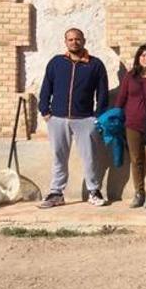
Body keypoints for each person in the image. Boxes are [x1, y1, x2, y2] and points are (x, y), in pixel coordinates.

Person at [37, 28, 110, 208]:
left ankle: (94, 191)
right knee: (58, 156)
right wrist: (45, 111)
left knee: (89, 157)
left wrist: (97, 117)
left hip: (84, 119)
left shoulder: (95, 65)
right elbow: (46, 87)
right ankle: (56, 193)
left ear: (84, 40)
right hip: (57, 118)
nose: (74, 42)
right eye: (70, 39)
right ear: (65, 42)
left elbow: (102, 93)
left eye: (77, 39)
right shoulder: (56, 63)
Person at [114, 44, 146, 208]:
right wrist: (115, 116)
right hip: (132, 124)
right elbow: (121, 98)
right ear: (138, 58)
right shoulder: (130, 76)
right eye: (142, 55)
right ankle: (139, 192)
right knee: (136, 160)